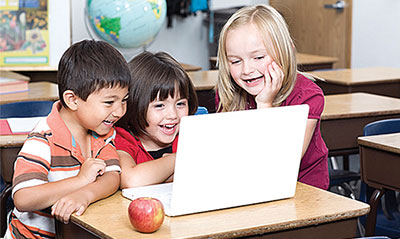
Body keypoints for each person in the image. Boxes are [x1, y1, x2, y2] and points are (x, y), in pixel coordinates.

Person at [5, 40, 131, 239]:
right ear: (72, 100)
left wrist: (86, 194)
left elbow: (112, 177)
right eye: (109, 102)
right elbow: (23, 198)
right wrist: (80, 180)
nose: (119, 111)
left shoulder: (102, 131)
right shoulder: (44, 138)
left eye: (124, 100)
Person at [215, 4, 329, 190]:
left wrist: (264, 103)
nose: (247, 70)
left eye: (258, 58)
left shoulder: (308, 96)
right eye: (235, 61)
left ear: (286, 51)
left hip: (303, 191)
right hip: (248, 187)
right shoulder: (230, 93)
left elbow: (281, 164)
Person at [114, 51, 198, 189]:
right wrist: (177, 160)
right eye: (159, 106)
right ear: (134, 105)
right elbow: (131, 180)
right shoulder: (124, 139)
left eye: (180, 104)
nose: (172, 114)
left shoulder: (188, 135)